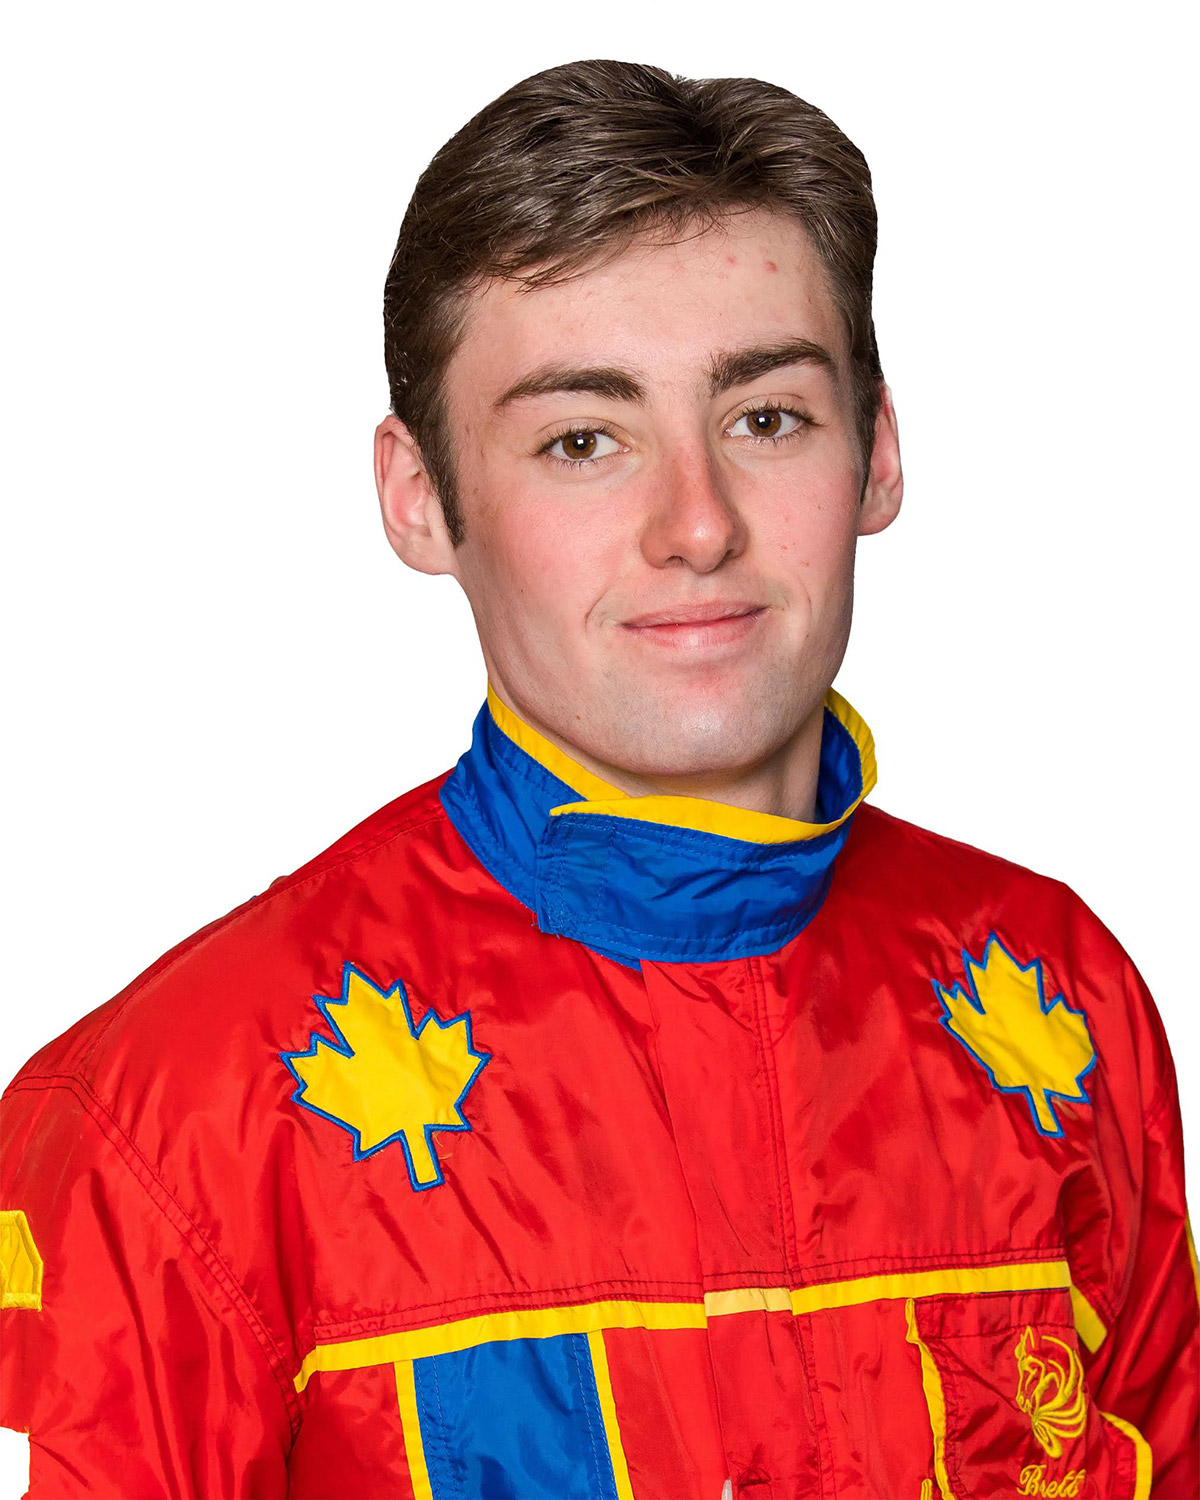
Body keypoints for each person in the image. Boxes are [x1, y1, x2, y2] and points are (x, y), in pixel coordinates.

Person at [1, 54, 1196, 1500]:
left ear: (878, 455)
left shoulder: (1060, 1002)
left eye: (766, 419)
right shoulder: (166, 1119)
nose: (696, 525)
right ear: (421, 499)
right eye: (583, 441)